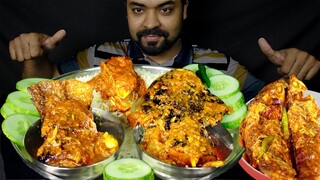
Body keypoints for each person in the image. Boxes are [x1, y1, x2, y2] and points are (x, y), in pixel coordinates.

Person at [8, 0, 319, 101]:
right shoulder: (99, 56)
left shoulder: (219, 65)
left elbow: (269, 108)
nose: (151, 24)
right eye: (139, 10)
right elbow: (45, 88)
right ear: (127, 12)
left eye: (166, 9)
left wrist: (293, 77)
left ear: (184, 10)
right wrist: (35, 59)